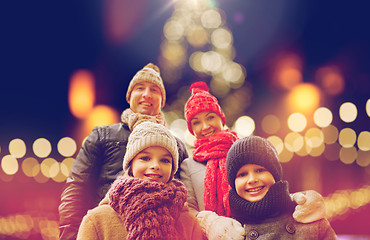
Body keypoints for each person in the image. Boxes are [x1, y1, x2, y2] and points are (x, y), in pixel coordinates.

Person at [180, 81, 327, 240]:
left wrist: (303, 201)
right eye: (196, 122)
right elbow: (189, 212)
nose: (205, 126)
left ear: (221, 118)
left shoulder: (243, 150)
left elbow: (272, 187)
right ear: (191, 129)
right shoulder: (189, 165)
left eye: (210, 117)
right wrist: (211, 224)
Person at [58, 63, 189, 239]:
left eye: (154, 90)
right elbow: (76, 187)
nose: (146, 94)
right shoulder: (103, 136)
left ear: (162, 100)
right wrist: (73, 236)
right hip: (108, 231)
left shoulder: (176, 146)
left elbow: (184, 198)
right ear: (129, 97)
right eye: (140, 88)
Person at [76, 122, 205, 240]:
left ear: (172, 170)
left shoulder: (189, 223)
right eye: (145, 158)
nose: (155, 165)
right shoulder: (97, 220)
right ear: (130, 165)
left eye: (165, 160)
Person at [224, 136, 337, 239]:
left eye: (260, 170)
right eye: (242, 174)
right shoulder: (228, 232)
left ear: (275, 174)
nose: (252, 179)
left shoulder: (309, 220)